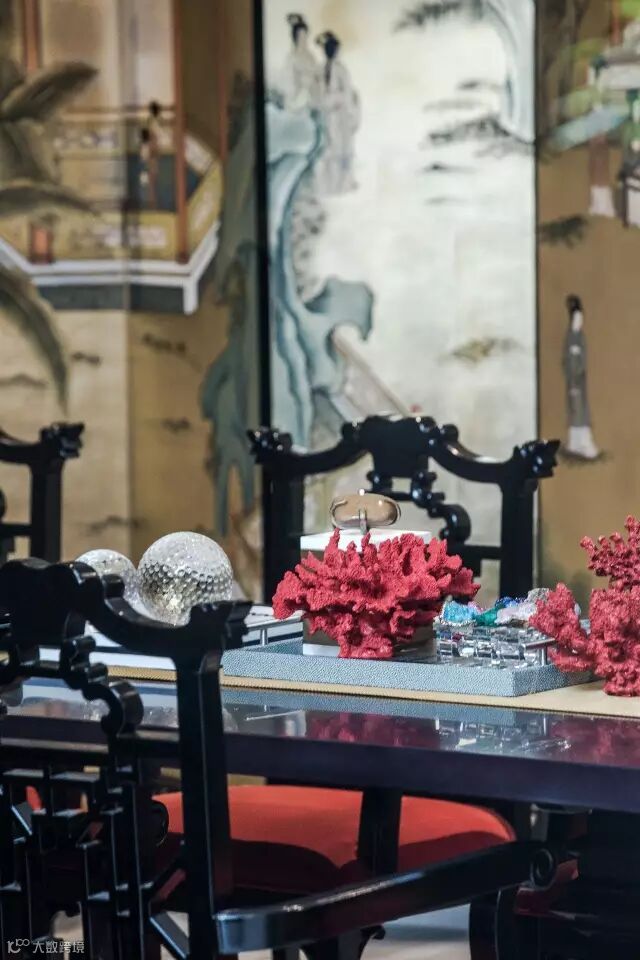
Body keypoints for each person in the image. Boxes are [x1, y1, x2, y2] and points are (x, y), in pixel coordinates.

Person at [314, 30, 360, 194]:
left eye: (332, 48)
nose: (330, 51)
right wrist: (322, 103)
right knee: (327, 152)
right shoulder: (319, 69)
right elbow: (317, 92)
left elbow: (347, 94)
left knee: (343, 151)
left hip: (340, 116)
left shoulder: (341, 70)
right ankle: (328, 187)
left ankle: (344, 185)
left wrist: (336, 102)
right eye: (327, 48)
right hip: (326, 116)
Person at [563, 295, 600, 460]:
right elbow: (568, 361)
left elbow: (582, 359)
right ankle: (579, 443)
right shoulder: (570, 338)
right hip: (574, 381)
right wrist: (573, 381)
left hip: (580, 379)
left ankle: (579, 443)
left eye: (580, 317)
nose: (579, 321)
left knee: (581, 411)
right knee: (577, 412)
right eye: (576, 318)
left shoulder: (580, 336)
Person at [280, 14, 317, 110]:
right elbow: (288, 81)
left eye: (305, 35)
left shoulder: (311, 57)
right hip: (295, 97)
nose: (303, 39)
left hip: (310, 97)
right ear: (295, 38)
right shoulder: (291, 57)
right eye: (300, 36)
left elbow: (315, 77)